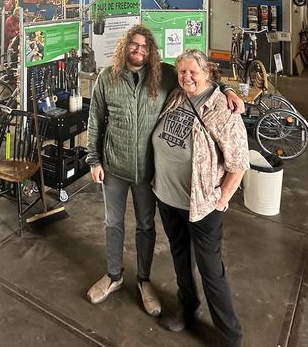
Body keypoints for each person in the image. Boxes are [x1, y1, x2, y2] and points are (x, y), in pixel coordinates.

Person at [85, 25, 244, 318]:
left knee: (146, 226)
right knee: (113, 224)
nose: (139, 51)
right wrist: (94, 161)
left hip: (148, 172)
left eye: (145, 47)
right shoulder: (107, 78)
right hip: (114, 167)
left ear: (152, 51)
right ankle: (113, 276)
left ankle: (144, 281)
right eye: (134, 45)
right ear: (124, 46)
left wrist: (228, 90)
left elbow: (200, 78)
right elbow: (94, 120)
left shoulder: (166, 74)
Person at [152, 49, 249, 347]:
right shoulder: (177, 95)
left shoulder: (222, 107)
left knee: (210, 269)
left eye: (194, 71)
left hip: (202, 204)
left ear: (208, 73)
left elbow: (238, 162)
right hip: (167, 197)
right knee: (180, 256)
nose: (187, 77)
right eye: (182, 71)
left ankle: (231, 335)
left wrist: (222, 199)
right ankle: (187, 306)